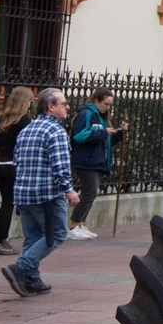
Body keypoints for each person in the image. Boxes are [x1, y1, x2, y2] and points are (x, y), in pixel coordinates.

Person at [3, 87, 78, 299]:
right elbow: (60, 165)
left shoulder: (27, 129)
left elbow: (17, 160)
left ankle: (31, 280)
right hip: (46, 194)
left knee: (33, 236)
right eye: (63, 104)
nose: (67, 107)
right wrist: (69, 190)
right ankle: (20, 267)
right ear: (50, 107)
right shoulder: (55, 131)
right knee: (56, 234)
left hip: (23, 192)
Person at [65, 87, 124, 241]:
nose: (108, 107)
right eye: (106, 104)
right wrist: (104, 132)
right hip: (85, 160)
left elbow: (106, 141)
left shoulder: (100, 117)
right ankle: (74, 225)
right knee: (90, 192)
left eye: (110, 104)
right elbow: (79, 136)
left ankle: (80, 223)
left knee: (91, 192)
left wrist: (119, 134)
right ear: (96, 101)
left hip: (96, 160)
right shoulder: (87, 113)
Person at [0, 87, 34, 255]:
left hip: (1, 164)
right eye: (29, 101)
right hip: (16, 165)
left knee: (5, 203)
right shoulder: (25, 122)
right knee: (9, 204)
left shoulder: (1, 120)